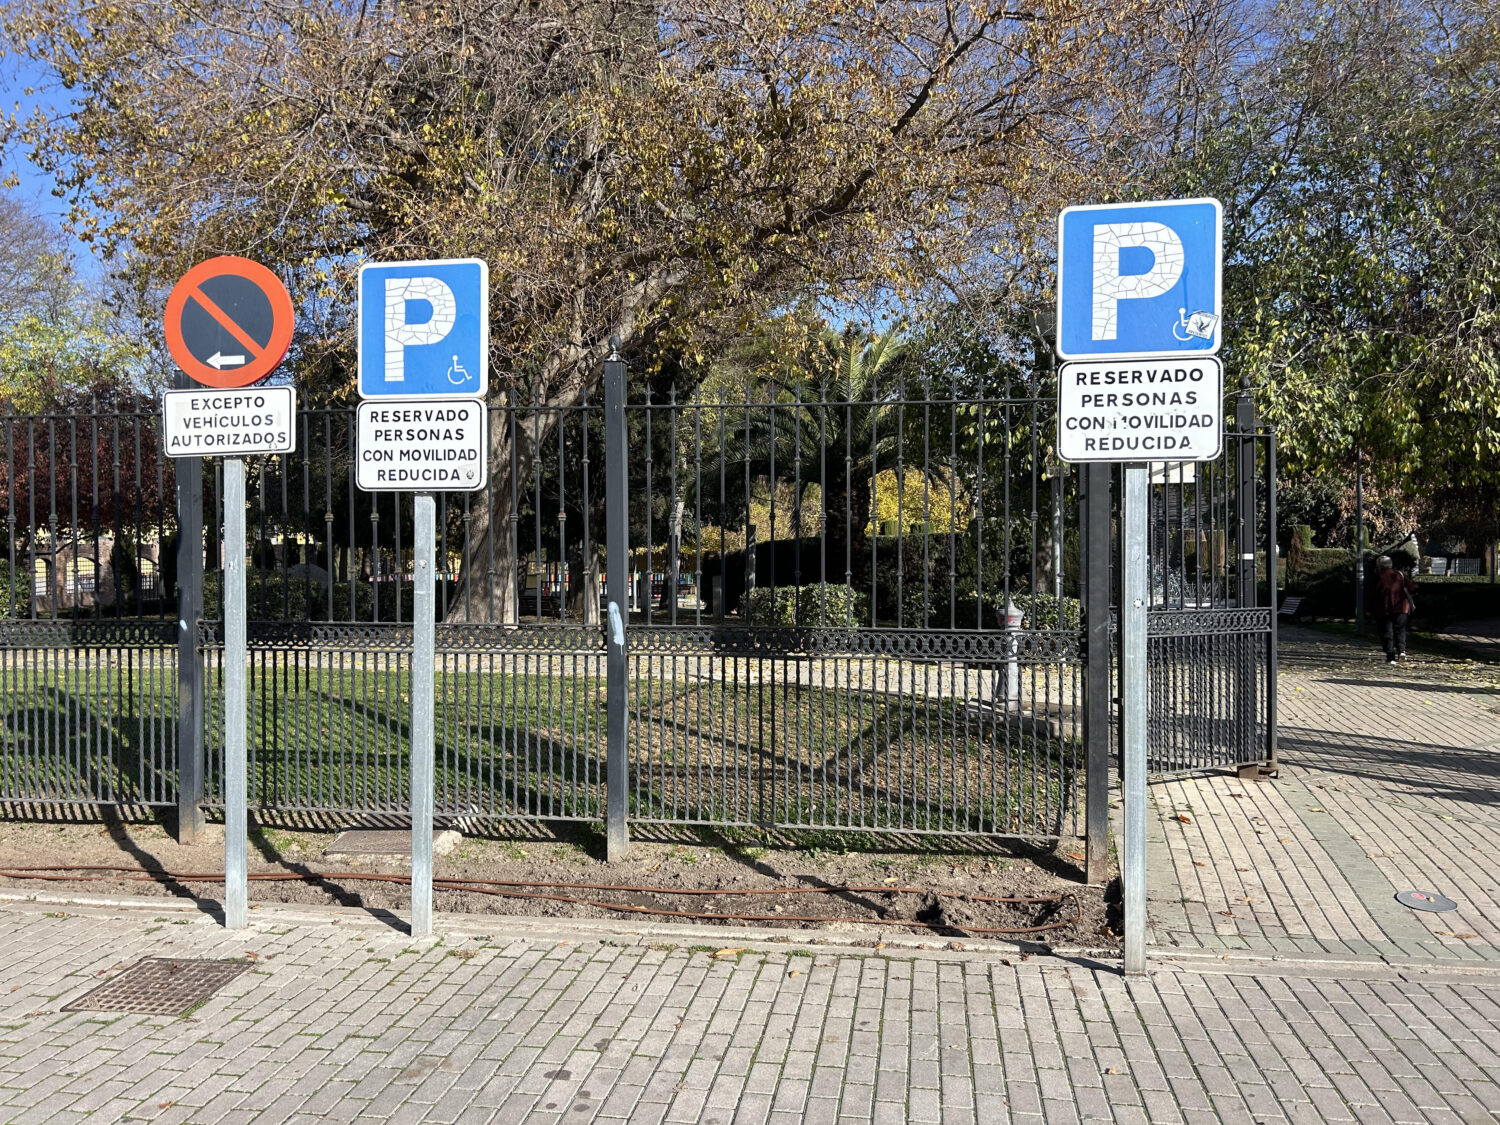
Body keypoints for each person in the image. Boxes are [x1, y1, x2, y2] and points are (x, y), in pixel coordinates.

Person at [1374, 555, 1416, 664]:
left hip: (1384, 608)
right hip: (1401, 606)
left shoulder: (1377, 577)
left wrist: (1369, 609)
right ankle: (1401, 650)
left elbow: (1372, 594)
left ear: (1379, 566)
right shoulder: (1399, 575)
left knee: (1386, 632)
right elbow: (1412, 587)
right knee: (1400, 629)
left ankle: (1390, 656)